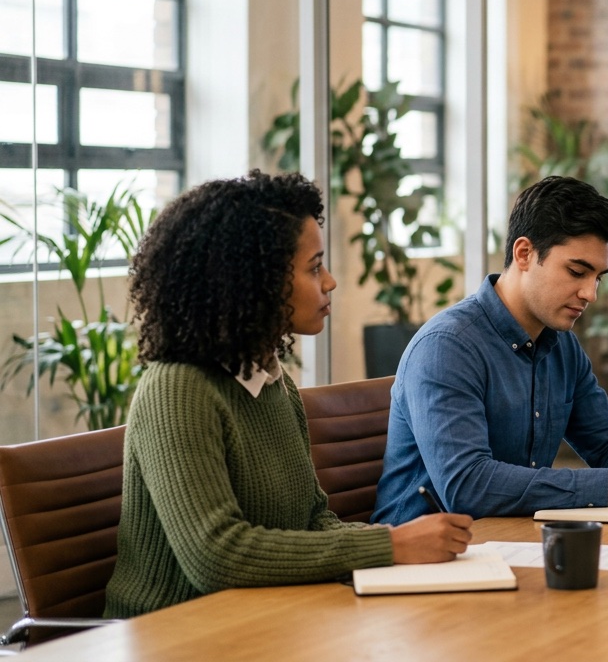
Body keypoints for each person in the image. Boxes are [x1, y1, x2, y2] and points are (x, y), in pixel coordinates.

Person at [105, 171, 473, 619]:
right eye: (315, 267)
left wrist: (397, 557)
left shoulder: (272, 381)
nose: (330, 281)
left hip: (267, 616)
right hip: (174, 632)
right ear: (254, 281)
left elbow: (313, 516)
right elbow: (216, 554)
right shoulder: (178, 389)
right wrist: (388, 545)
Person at [373, 176, 608, 523]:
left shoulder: (562, 345)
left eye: (598, 277)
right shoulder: (447, 348)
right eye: (577, 271)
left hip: (512, 541)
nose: (590, 294)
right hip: (420, 562)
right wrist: (605, 487)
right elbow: (467, 487)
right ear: (524, 254)